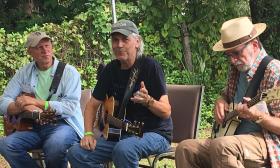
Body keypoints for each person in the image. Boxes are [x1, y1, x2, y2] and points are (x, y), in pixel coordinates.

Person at [175, 16, 280, 168]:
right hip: (232, 136)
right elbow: (227, 93)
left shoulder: (274, 72)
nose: (233, 60)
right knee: (185, 148)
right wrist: (221, 99)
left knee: (223, 147)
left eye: (236, 53)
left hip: (266, 141)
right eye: (228, 55)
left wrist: (258, 116)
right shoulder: (238, 68)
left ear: (255, 45)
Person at [67, 19, 173, 168]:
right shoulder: (110, 70)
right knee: (75, 153)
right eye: (115, 40)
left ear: (137, 42)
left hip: (154, 134)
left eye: (125, 39)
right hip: (120, 135)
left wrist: (148, 101)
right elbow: (91, 106)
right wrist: (89, 134)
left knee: (124, 149)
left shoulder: (150, 66)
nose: (119, 44)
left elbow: (166, 111)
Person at [0, 31, 84, 168]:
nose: (45, 50)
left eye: (47, 45)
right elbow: (3, 102)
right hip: (32, 128)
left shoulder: (70, 72)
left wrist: (34, 102)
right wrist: (22, 106)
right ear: (29, 52)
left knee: (55, 145)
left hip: (63, 125)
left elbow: (69, 107)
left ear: (52, 47)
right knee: (5, 144)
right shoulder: (23, 72)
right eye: (39, 47)